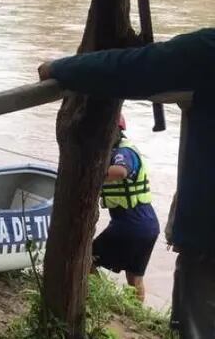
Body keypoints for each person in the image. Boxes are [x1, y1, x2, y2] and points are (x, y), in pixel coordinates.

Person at [37, 27, 215, 337]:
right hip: (147, 226)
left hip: (182, 236)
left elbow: (131, 68)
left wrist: (61, 68)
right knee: (135, 275)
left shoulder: (207, 50)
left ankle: (114, 305)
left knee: (96, 260)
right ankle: (133, 307)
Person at [92, 114, 160, 302]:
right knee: (135, 275)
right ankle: (137, 313)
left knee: (87, 260)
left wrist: (90, 174)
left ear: (117, 132)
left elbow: (121, 171)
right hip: (149, 225)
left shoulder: (123, 152)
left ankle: (101, 300)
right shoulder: (118, 150)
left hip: (129, 223)